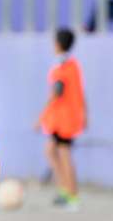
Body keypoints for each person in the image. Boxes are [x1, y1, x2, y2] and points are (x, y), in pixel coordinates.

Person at [36, 28, 86, 211]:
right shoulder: (73, 65)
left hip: (63, 119)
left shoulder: (62, 67)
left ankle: (72, 195)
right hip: (69, 117)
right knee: (51, 151)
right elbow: (81, 91)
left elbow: (56, 93)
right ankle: (65, 190)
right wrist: (84, 114)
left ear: (57, 44)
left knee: (64, 155)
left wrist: (41, 117)